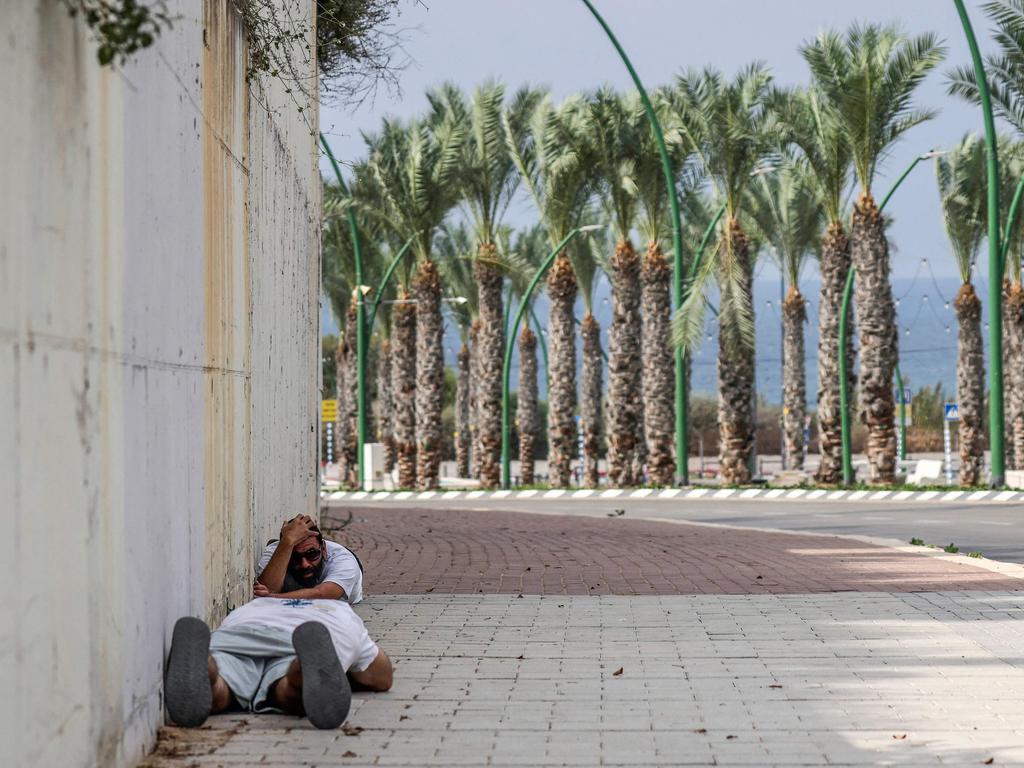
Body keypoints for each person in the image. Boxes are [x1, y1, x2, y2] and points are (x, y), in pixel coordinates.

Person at [164, 597, 392, 730]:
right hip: (292, 642)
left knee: (223, 684)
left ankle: (207, 666)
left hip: (236, 636)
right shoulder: (340, 610)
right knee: (287, 692)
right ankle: (299, 672)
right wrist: (351, 674)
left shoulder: (255, 603)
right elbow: (381, 677)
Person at [255, 514, 363, 603]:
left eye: (312, 554)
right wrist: (287, 543)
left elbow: (322, 594)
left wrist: (272, 597)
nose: (304, 564)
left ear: (324, 550)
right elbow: (265, 589)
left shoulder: (344, 562)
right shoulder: (278, 549)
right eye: (295, 556)